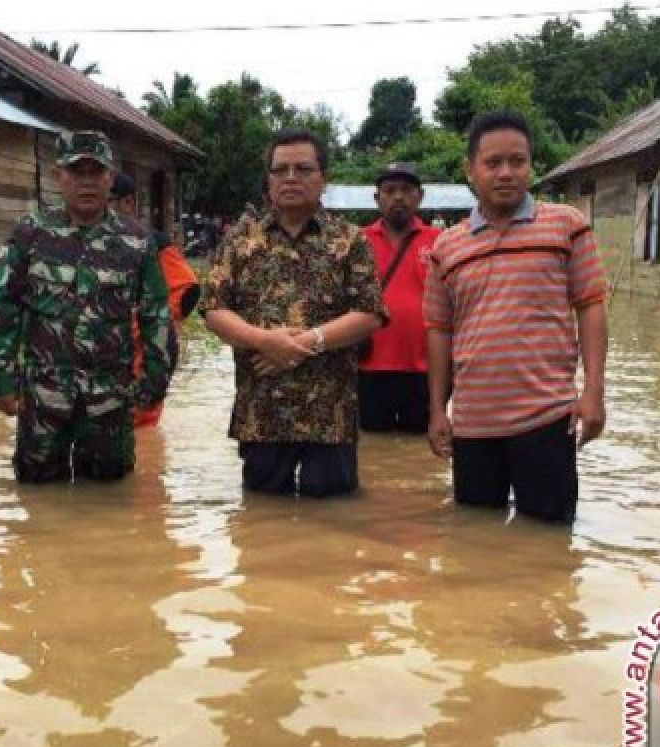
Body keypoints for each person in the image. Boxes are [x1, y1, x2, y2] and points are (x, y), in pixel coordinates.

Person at [424, 110, 608, 525]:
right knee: (474, 541)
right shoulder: (446, 248)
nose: (506, 173)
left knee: (548, 546)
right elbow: (439, 333)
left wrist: (593, 391)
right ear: (470, 170)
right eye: (493, 163)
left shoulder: (567, 226)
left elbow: (591, 306)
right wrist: (438, 410)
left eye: (517, 161)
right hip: (472, 423)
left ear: (530, 165)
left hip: (546, 416)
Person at [200, 129, 387, 497]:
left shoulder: (351, 240)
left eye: (303, 168)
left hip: (331, 417)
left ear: (323, 177)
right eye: (280, 169)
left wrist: (307, 343)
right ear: (268, 179)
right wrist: (264, 341)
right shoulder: (239, 240)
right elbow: (212, 309)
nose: (290, 178)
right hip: (262, 414)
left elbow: (370, 313)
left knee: (334, 530)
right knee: (262, 532)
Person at [0, 131, 174, 483]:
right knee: (38, 501)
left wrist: (153, 386)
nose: (87, 181)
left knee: (110, 502)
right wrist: (2, 381)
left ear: (109, 178)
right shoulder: (30, 234)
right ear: (60, 177)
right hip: (42, 399)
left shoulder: (137, 241)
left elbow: (157, 318)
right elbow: (2, 309)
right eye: (76, 172)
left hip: (110, 401)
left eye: (95, 172)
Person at [109, 172, 201, 427]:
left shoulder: (152, 243)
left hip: (142, 353)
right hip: (100, 359)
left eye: (109, 201)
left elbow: (189, 290)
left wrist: (150, 323)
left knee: (140, 428)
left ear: (127, 203)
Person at [358, 162, 441, 433]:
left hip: (425, 368)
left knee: (421, 453)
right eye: (390, 190)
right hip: (367, 367)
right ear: (376, 198)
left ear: (420, 196)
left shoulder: (441, 241)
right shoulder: (356, 242)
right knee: (371, 450)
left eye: (406, 190)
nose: (398, 197)